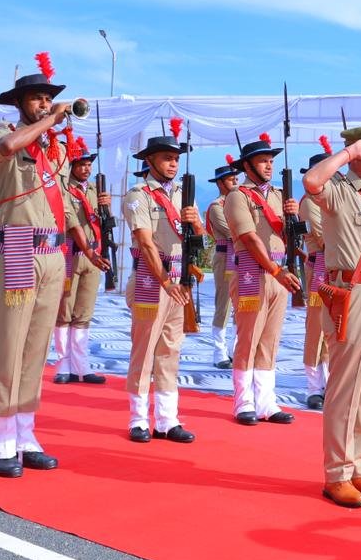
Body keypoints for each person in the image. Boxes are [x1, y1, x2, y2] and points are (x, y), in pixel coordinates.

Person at [0, 54, 86, 478]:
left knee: (37, 350)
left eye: (48, 98)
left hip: (52, 254)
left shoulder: (53, 149)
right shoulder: (2, 134)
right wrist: (51, 121)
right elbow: (8, 148)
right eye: (37, 99)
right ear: (20, 103)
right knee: (11, 348)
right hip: (18, 248)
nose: (45, 104)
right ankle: (0, 442)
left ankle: (25, 435)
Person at [303, 123, 361, 508]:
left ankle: (359, 465)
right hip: (352, 294)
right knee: (345, 386)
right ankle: (337, 474)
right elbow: (311, 181)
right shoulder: (339, 190)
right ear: (357, 153)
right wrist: (348, 153)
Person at [122, 127, 200, 443]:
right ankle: (138, 419)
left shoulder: (183, 194)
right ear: (151, 160)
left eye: (176, 159)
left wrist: (195, 222)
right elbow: (145, 241)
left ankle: (167, 420)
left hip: (179, 281)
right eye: (167, 158)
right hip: (151, 279)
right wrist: (165, 281)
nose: (173, 164)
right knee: (144, 351)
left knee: (170, 350)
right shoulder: (138, 195)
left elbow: (200, 239)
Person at [225, 133, 301, 425]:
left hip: (278, 273)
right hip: (252, 272)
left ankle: (266, 403)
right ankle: (243, 402)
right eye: (262, 161)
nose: (269, 166)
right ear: (247, 166)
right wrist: (276, 271)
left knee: (270, 340)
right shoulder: (238, 196)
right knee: (249, 339)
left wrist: (294, 218)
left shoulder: (280, 196)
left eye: (271, 161)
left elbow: (290, 238)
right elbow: (249, 237)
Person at [54, 136, 112, 385]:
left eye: (89, 164)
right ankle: (63, 365)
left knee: (84, 313)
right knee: (64, 312)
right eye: (81, 164)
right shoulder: (64, 189)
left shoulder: (95, 190)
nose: (86, 168)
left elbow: (103, 223)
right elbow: (71, 223)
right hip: (72, 253)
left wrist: (106, 207)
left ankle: (81, 366)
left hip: (94, 255)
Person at [299, 137, 333, 410]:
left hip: (336, 267)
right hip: (320, 266)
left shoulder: (332, 200)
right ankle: (313, 385)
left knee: (332, 328)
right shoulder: (310, 203)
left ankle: (328, 381)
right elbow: (324, 239)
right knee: (316, 328)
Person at [204, 155, 241, 369]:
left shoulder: (240, 202)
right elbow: (232, 231)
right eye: (230, 179)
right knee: (224, 304)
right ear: (220, 183)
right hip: (226, 255)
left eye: (236, 178)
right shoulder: (217, 206)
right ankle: (219, 351)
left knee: (240, 304)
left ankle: (236, 349)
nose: (235, 181)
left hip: (241, 256)